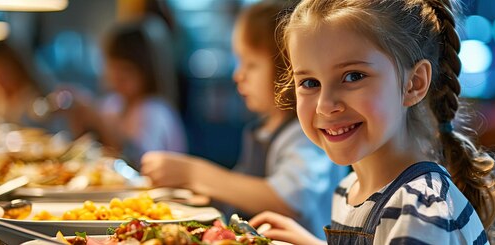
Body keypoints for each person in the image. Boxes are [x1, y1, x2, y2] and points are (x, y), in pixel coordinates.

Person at [248, 0, 495, 244]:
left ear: (414, 83)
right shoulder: (349, 190)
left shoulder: (420, 210)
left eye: (353, 76)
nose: (325, 105)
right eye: (309, 83)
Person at [141, 0, 347, 239]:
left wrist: (194, 173)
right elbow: (239, 189)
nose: (238, 75)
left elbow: (289, 200)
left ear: (286, 69)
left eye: (250, 64)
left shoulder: (306, 134)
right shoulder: (262, 129)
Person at [64, 20, 187, 162]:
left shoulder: (155, 111)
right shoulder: (113, 103)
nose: (116, 78)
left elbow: (139, 162)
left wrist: (99, 120)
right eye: (112, 67)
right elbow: (88, 146)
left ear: (147, 72)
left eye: (125, 71)